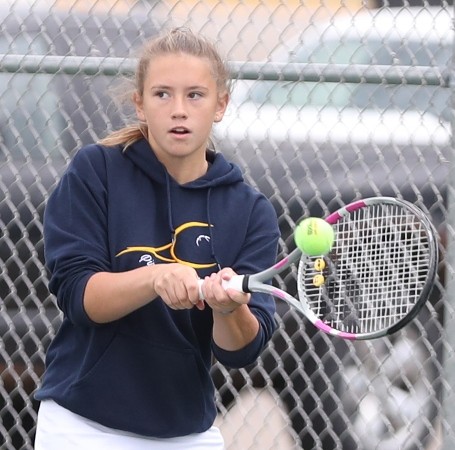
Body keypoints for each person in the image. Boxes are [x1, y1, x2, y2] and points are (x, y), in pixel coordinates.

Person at [34, 27, 280, 449]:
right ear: (140, 104)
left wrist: (228, 309)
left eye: (195, 95)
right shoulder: (96, 172)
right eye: (162, 94)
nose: (178, 110)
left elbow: (240, 351)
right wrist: (156, 278)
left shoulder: (250, 211)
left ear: (220, 105)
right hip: (81, 425)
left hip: (186, 432)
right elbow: (79, 297)